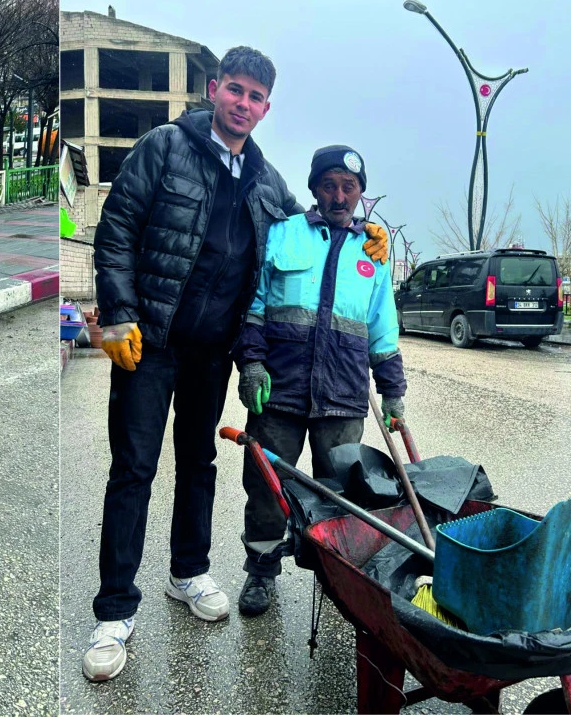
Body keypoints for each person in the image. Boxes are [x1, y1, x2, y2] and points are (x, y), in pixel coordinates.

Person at [83, 48, 389, 682]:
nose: (243, 104)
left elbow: (306, 233)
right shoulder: (164, 147)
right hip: (150, 343)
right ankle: (114, 611)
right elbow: (117, 228)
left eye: (256, 97)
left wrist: (364, 236)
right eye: (236, 91)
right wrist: (116, 311)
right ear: (215, 88)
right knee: (134, 468)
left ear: (266, 108)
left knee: (199, 461)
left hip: (211, 353)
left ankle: (187, 572)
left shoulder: (266, 181)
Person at [231, 145, 407, 617]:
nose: (338, 195)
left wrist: (394, 393)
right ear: (313, 189)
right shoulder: (284, 235)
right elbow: (254, 307)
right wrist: (251, 362)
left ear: (360, 195)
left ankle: (336, 581)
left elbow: (382, 328)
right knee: (267, 489)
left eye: (348, 187)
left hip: (344, 398)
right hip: (280, 392)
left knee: (339, 497)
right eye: (329, 185)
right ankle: (261, 573)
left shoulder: (374, 253)